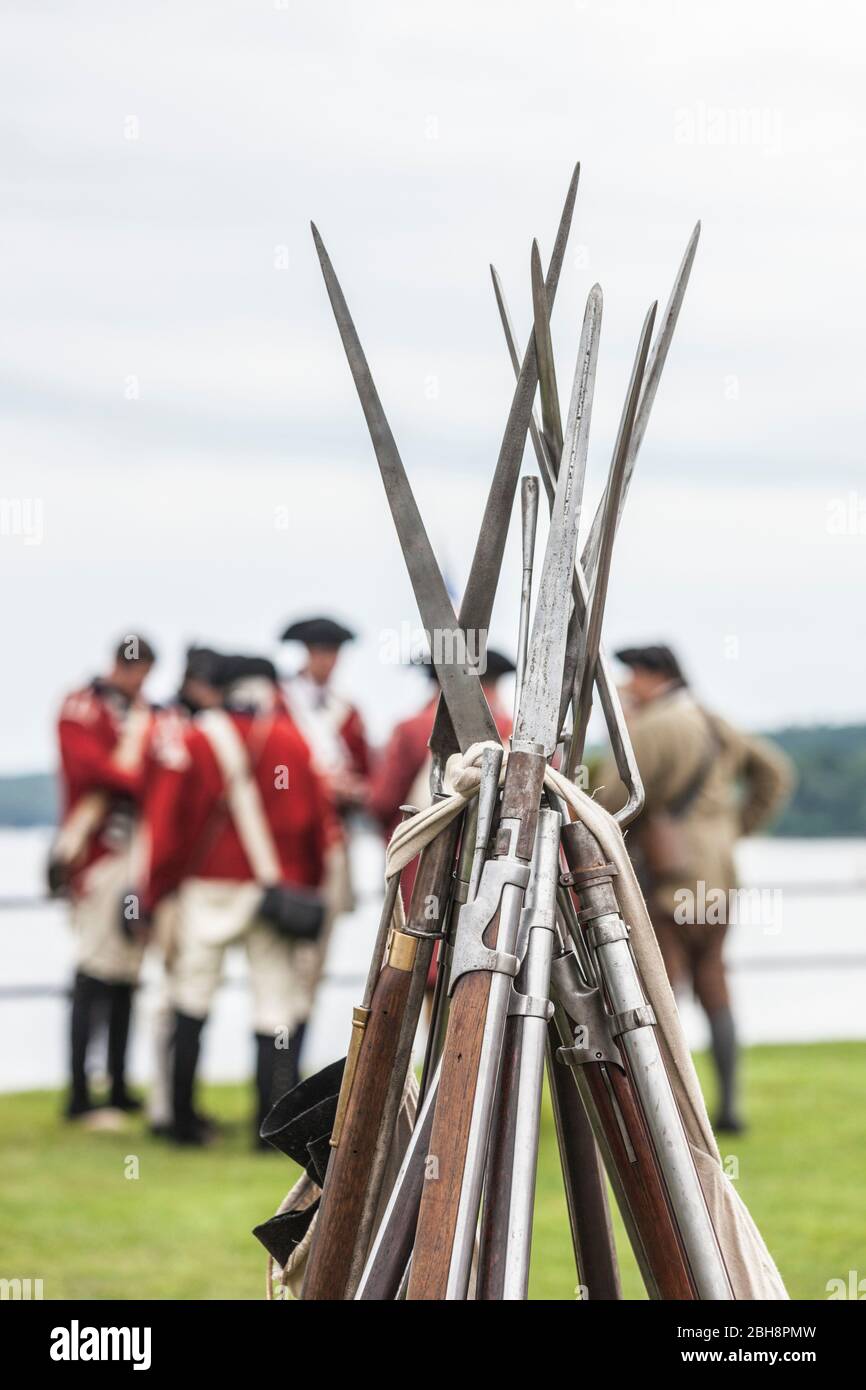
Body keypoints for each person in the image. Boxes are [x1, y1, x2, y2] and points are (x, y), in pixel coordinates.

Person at [593, 644, 794, 1133]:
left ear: (648, 675)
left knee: (665, 991)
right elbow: (774, 773)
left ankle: (670, 1114)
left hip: (672, 879)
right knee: (714, 983)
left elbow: (606, 799)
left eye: (631, 675)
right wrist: (733, 829)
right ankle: (727, 1108)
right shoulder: (711, 719)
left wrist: (624, 721)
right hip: (718, 875)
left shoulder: (652, 727)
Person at [141, 655, 333, 1146]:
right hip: (272, 892)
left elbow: (167, 827)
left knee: (191, 999)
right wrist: (305, 886)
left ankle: (182, 1122)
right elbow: (316, 825)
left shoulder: (194, 738)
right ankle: (269, 1128)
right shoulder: (293, 740)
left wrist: (155, 890)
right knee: (274, 1008)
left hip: (206, 888)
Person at [367, 649, 516, 1001]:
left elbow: (381, 802)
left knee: (424, 965)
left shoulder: (411, 729)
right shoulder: (514, 732)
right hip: (501, 867)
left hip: (424, 868)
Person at [50, 634, 158, 1120]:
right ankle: (79, 1092)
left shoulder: (142, 713)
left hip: (134, 855)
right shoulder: (82, 707)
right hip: (99, 856)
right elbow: (98, 773)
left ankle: (115, 1084)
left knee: (125, 974)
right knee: (94, 971)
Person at [142, 646, 225, 1136]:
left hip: (173, 880)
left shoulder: (172, 728)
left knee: (171, 997)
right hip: (176, 884)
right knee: (171, 998)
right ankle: (167, 1111)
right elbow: (166, 823)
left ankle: (167, 1107)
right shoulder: (180, 733)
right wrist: (154, 890)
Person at [279, 616, 370, 815]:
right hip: (293, 801)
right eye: (321, 652)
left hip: (339, 811)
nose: (327, 660)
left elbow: (363, 766)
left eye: (333, 652)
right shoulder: (281, 701)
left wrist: (351, 784)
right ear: (309, 652)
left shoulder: (348, 708)